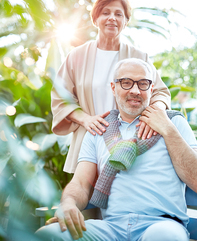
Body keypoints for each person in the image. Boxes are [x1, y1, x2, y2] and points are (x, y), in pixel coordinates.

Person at [36, 58, 197, 241]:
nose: (135, 91)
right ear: (113, 88)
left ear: (151, 90)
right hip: (111, 228)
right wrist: (68, 203)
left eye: (143, 84)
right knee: (46, 236)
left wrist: (167, 129)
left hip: (161, 225)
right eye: (126, 82)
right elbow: (80, 183)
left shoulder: (174, 123)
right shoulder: (99, 130)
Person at [51, 0, 171, 174]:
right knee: (86, 197)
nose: (112, 18)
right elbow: (61, 97)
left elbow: (160, 93)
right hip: (89, 139)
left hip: (130, 143)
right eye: (105, 13)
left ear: (126, 21)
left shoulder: (140, 57)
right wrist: (86, 119)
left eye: (118, 14)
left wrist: (154, 115)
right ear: (95, 18)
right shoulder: (76, 56)